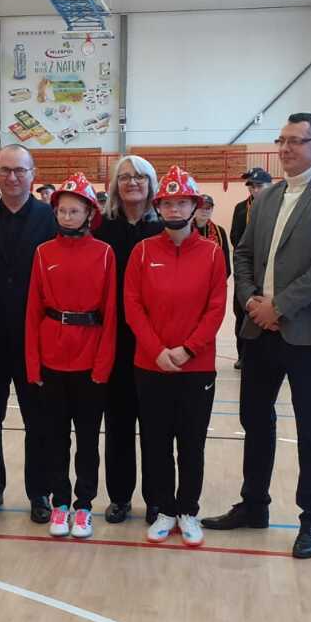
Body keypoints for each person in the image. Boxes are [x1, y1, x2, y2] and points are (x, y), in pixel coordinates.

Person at [202, 113, 311, 560]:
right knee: (255, 420)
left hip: (308, 331)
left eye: (296, 141)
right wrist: (252, 300)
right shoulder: (268, 196)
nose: (285, 148)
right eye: (281, 140)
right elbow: (243, 254)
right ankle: (254, 505)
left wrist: (280, 306)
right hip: (260, 328)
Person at [122, 167, 227, 547]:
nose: (175, 209)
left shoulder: (212, 253)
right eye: (168, 203)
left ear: (194, 206)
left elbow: (216, 308)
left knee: (191, 443)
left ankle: (188, 510)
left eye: (182, 202)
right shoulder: (142, 251)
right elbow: (132, 305)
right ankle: (164, 509)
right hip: (151, 365)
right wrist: (157, 350)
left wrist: (187, 349)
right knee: (156, 441)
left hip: (196, 367)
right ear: (159, 208)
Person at [0, 144, 58, 522]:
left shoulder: (51, 219)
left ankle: (40, 493)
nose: (12, 177)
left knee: (39, 421)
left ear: (32, 174)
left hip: (34, 337)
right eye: (5, 170)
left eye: (20, 170)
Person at [25, 172, 117, 539]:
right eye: (62, 211)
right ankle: (60, 502)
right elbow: (33, 310)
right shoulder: (43, 253)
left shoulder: (105, 253)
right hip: (52, 356)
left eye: (74, 211)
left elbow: (111, 313)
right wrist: (33, 364)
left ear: (89, 214)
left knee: (88, 439)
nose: (66, 217)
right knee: (55, 437)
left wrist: (103, 366)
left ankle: (84, 505)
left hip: (89, 357)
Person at [93, 155, 162, 524]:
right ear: (115, 186)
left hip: (155, 342)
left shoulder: (164, 228)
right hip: (114, 341)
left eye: (139, 176)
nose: (132, 182)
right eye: (124, 177)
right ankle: (119, 497)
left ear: (151, 183)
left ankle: (156, 498)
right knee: (118, 424)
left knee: (154, 426)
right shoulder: (101, 229)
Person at [230, 167, 273, 369]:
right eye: (251, 187)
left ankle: (268, 357)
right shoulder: (240, 209)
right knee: (242, 313)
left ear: (270, 185)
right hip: (246, 270)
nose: (254, 190)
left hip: (268, 270)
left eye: (259, 186)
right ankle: (243, 355)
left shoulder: (278, 208)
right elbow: (235, 237)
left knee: (268, 310)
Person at [195, 194, 232, 278]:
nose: (204, 211)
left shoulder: (220, 231)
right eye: (201, 207)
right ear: (194, 208)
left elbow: (226, 264)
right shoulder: (186, 231)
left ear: (212, 210)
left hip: (214, 278)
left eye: (207, 208)